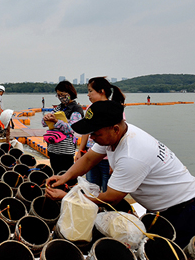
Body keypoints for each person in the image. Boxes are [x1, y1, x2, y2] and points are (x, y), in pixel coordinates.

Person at [47, 100, 195, 247]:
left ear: (115, 129)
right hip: (162, 207)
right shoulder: (116, 135)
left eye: (95, 133)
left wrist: (67, 197)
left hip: (183, 210)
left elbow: (110, 198)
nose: (91, 138)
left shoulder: (132, 155)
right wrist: (65, 177)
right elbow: (89, 160)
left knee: (172, 256)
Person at [75, 77, 126, 191]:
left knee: (106, 189)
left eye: (90, 91)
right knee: (90, 188)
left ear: (101, 91)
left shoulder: (114, 110)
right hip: (92, 155)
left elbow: (119, 138)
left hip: (107, 160)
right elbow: (86, 132)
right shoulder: (91, 108)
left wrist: (114, 162)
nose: (88, 95)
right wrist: (80, 151)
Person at [42, 81, 84, 174]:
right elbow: (44, 123)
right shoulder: (58, 108)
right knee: (55, 173)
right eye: (58, 95)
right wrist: (46, 118)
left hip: (65, 150)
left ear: (70, 93)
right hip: (52, 148)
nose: (61, 98)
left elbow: (72, 128)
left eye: (63, 94)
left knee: (66, 176)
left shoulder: (76, 109)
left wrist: (56, 121)